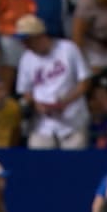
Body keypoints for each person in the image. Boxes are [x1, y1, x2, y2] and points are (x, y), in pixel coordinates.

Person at [15, 14, 93, 150]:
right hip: (42, 125)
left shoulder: (68, 49)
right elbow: (25, 91)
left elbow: (85, 81)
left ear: (39, 36)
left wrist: (65, 102)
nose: (25, 45)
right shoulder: (26, 58)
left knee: (73, 166)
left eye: (27, 40)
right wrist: (36, 104)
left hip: (73, 120)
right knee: (39, 165)